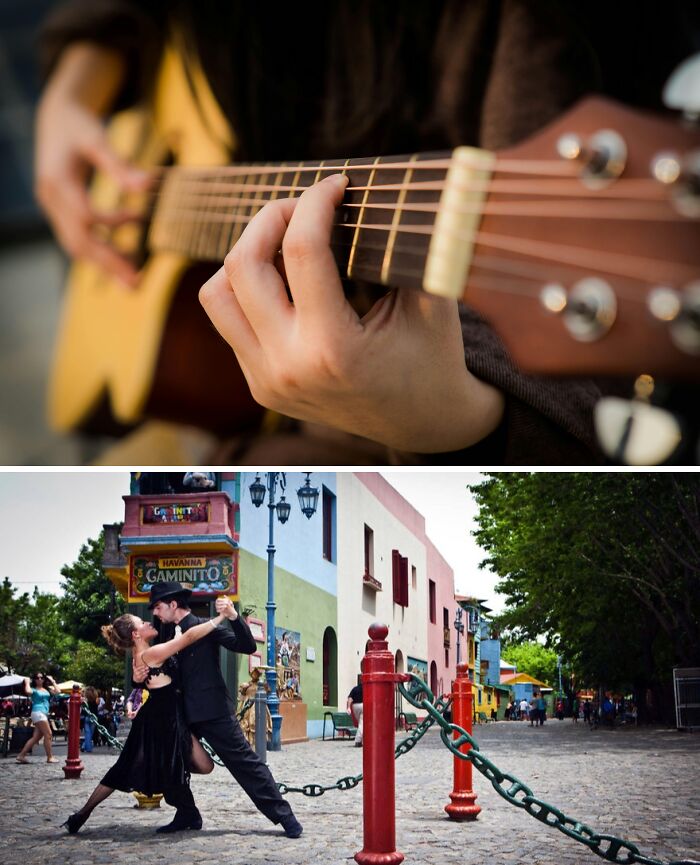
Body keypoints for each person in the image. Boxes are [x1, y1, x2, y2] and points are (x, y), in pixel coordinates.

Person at [35, 2, 699, 466]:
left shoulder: (539, 30)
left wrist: (451, 424)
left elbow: (583, 379)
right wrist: (72, 89)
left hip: (344, 437)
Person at [143, 581, 303, 838]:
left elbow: (247, 646)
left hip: (212, 710)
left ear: (173, 605)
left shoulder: (206, 626)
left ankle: (285, 816)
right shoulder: (164, 634)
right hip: (180, 713)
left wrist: (233, 617)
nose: (156, 613)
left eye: (159, 607)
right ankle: (187, 814)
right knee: (169, 760)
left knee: (245, 763)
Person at [61, 605, 225, 834]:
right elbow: (188, 638)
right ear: (136, 634)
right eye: (142, 623)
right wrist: (219, 618)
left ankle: (183, 807)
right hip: (160, 722)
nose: (149, 623)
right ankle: (83, 813)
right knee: (132, 769)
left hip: (167, 718)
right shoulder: (149, 654)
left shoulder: (146, 653)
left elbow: (145, 682)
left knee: (195, 766)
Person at [15, 673, 60, 764]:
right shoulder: (34, 690)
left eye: (41, 677)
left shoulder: (47, 689)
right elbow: (27, 691)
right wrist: (27, 682)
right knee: (48, 734)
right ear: (34, 680)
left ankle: (21, 755)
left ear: (44, 679)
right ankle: (50, 757)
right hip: (38, 712)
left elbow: (58, 691)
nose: (39, 679)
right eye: (37, 678)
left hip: (43, 713)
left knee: (36, 737)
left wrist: (52, 680)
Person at [237, 666, 271, 748]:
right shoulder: (247, 685)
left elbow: (268, 691)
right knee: (246, 724)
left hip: (258, 706)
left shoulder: (262, 685)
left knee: (257, 723)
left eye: (256, 674)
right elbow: (242, 695)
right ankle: (248, 744)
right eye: (253, 674)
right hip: (248, 705)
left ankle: (257, 745)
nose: (254, 676)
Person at [81, 685, 99, 752]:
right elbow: (98, 707)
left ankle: (85, 746)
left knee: (87, 733)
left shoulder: (85, 700)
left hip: (86, 717)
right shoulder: (97, 699)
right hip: (94, 718)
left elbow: (83, 709)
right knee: (90, 734)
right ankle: (87, 748)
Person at [347, 681, 363, 748]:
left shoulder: (354, 689)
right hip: (363, 705)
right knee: (362, 723)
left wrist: (348, 707)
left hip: (355, 706)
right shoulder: (366, 688)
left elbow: (350, 699)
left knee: (361, 722)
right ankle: (358, 740)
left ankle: (361, 740)